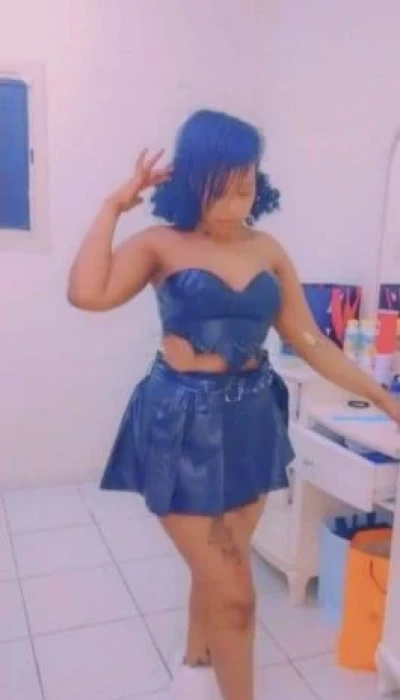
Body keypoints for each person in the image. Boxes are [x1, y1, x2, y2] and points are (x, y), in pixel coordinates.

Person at [68, 109, 400, 700]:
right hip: (180, 423)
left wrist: (382, 396)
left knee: (222, 566)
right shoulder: (160, 244)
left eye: (245, 183)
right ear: (193, 179)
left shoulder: (268, 249)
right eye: (221, 185)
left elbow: (310, 341)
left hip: (250, 419)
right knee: (238, 596)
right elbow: (87, 294)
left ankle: (195, 666)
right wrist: (113, 206)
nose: (235, 199)